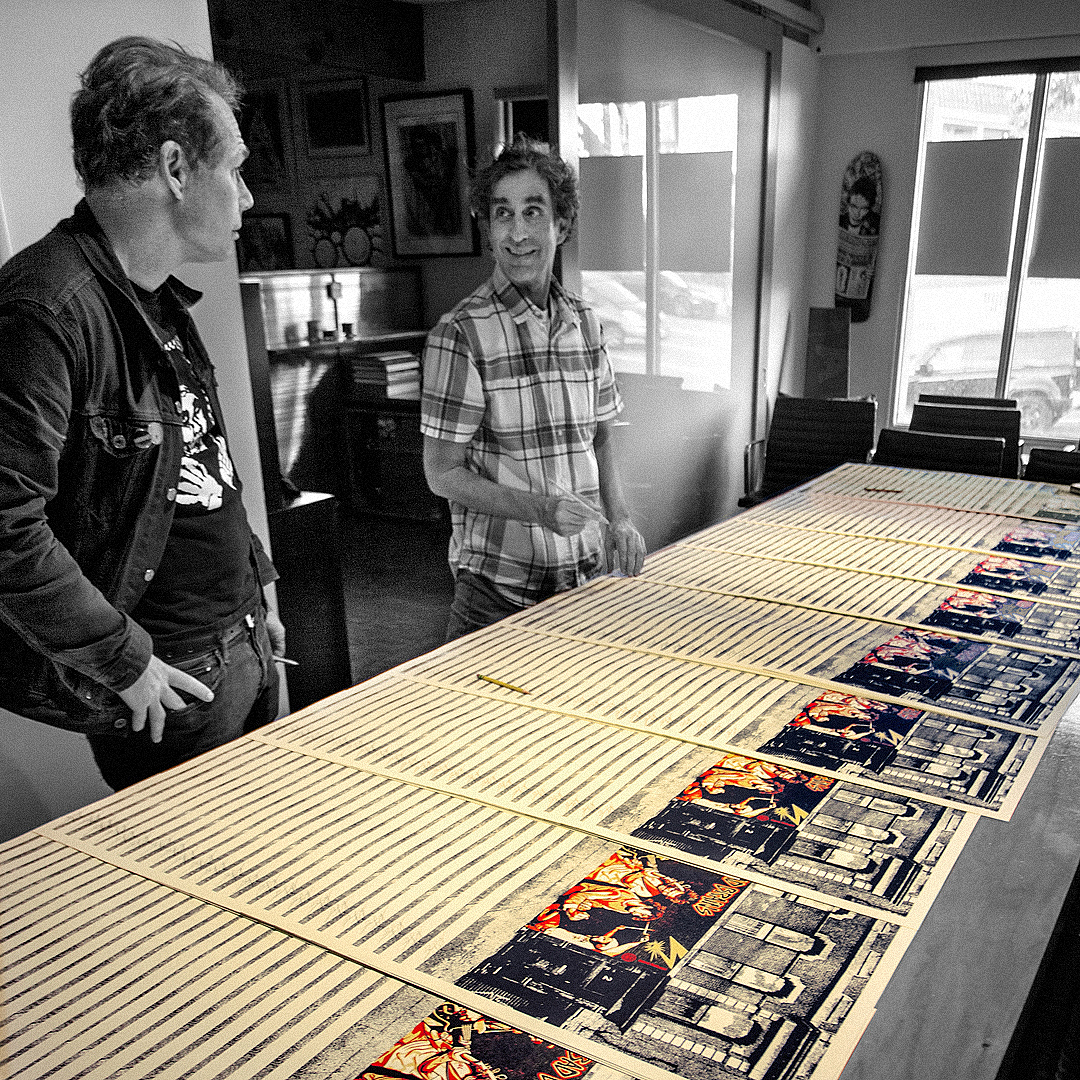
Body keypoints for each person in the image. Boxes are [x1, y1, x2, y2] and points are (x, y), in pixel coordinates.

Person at [0, 37, 285, 790]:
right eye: (237, 168)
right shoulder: (44, 307)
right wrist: (127, 667)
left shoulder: (153, 293)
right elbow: (4, 527)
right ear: (175, 168)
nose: (248, 197)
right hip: (169, 687)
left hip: (241, 648)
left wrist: (257, 592)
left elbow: (202, 461)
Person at [421, 136, 646, 640]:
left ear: (560, 225)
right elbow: (441, 474)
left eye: (532, 212)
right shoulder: (460, 334)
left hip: (583, 584)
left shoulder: (586, 324)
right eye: (503, 214)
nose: (517, 232)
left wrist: (621, 519)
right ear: (488, 226)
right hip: (495, 597)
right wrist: (541, 509)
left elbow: (602, 435)